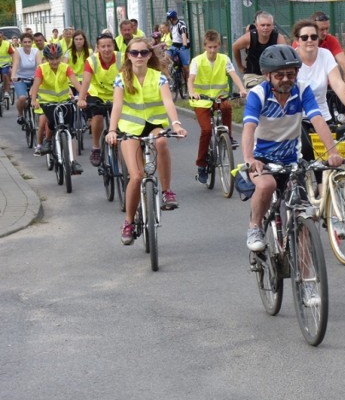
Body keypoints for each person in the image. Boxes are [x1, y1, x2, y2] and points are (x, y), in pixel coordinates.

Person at [242, 44, 342, 251]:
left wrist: (332, 151)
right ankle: (254, 226)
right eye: (280, 75)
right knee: (266, 185)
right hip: (262, 159)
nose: (286, 79)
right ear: (267, 75)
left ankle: (306, 279)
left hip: (292, 161)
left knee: (303, 218)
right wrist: (249, 158)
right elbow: (248, 128)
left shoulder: (303, 90)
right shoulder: (258, 95)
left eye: (291, 74)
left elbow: (317, 119)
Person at [105, 37, 187, 244]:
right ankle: (129, 221)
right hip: (129, 128)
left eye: (143, 52)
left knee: (161, 142)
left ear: (150, 55)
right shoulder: (121, 78)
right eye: (134, 53)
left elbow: (168, 101)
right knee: (136, 176)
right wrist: (112, 130)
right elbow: (116, 106)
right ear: (128, 56)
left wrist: (176, 124)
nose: (139, 56)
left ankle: (167, 191)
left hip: (154, 123)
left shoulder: (158, 77)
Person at [292, 19, 345, 166]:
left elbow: (337, 83)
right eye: (304, 37)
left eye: (314, 37)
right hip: (299, 115)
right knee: (306, 153)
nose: (309, 40)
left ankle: (326, 187)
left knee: (332, 155)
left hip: (322, 114)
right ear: (297, 40)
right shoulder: (292, 57)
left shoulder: (325, 54)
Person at [187, 30, 247, 183]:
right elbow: (191, 79)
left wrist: (241, 89)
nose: (213, 50)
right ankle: (201, 164)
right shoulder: (197, 60)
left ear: (219, 45)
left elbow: (233, 75)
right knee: (206, 130)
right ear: (205, 47)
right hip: (201, 99)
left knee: (226, 107)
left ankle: (228, 137)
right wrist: (192, 92)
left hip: (219, 97)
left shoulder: (224, 59)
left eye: (215, 47)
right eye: (210, 47)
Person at [29, 43, 83, 174]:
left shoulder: (66, 67)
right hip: (48, 102)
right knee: (51, 123)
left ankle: (73, 161)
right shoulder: (41, 68)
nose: (55, 61)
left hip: (64, 101)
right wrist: (34, 100)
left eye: (57, 58)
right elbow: (36, 84)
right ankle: (47, 141)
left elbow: (75, 82)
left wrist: (81, 97)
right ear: (46, 59)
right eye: (51, 58)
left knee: (70, 130)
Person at [77, 33, 124, 167]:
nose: (106, 49)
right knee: (97, 117)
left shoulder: (122, 58)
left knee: (123, 124)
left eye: (109, 45)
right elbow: (86, 81)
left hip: (118, 93)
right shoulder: (92, 61)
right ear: (97, 47)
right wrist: (81, 99)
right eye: (103, 46)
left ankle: (126, 163)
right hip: (98, 94)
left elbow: (129, 77)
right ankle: (96, 147)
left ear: (114, 46)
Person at [306, 11, 345, 92]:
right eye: (321, 29)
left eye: (327, 28)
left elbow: (343, 62)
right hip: (307, 86)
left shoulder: (331, 40)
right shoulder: (302, 42)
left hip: (326, 85)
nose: (325, 32)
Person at [232, 10, 287, 89]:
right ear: (257, 26)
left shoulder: (278, 38)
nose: (265, 28)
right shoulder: (249, 38)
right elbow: (235, 47)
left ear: (273, 26)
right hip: (253, 75)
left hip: (272, 74)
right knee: (255, 96)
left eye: (268, 25)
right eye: (262, 25)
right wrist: (240, 66)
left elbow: (285, 55)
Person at [11, 33, 37, 127]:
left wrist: (39, 77)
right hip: (20, 78)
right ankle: (20, 114)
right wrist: (13, 75)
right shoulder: (18, 51)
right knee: (22, 98)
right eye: (25, 42)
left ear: (32, 42)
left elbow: (39, 66)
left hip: (34, 78)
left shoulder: (36, 51)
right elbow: (16, 64)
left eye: (29, 42)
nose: (27, 44)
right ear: (21, 43)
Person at [63, 30, 92, 95]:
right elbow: (63, 67)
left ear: (84, 40)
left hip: (85, 82)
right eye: (76, 39)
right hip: (71, 82)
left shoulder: (90, 52)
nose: (78, 41)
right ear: (73, 41)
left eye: (81, 39)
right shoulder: (69, 52)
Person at [166, 10, 190, 83]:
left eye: (169, 18)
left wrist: (185, 45)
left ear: (171, 19)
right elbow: (172, 37)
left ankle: (188, 84)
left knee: (185, 68)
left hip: (183, 46)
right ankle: (169, 75)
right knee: (166, 56)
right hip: (174, 45)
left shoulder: (181, 24)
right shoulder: (172, 27)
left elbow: (183, 34)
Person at [0, 31, 15, 99]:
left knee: (5, 75)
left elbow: (12, 55)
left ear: (2, 37)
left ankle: (6, 91)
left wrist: (14, 65)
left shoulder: (6, 44)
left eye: (0, 37)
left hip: (5, 64)